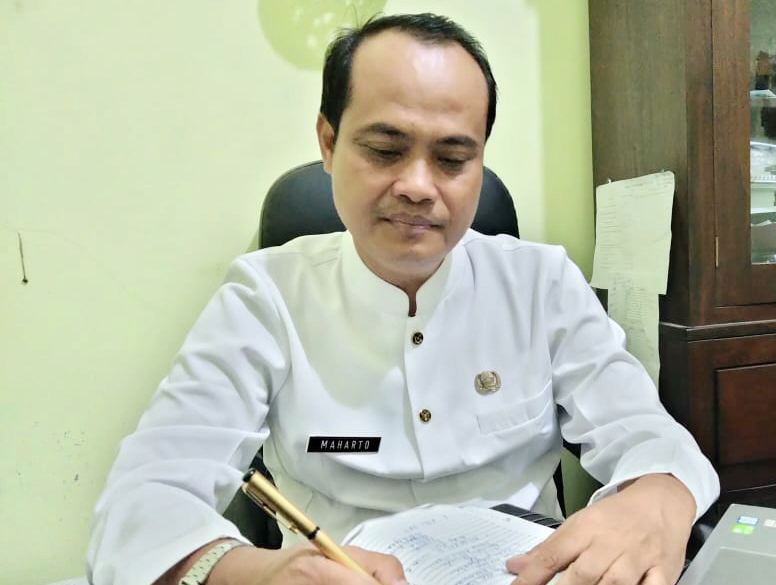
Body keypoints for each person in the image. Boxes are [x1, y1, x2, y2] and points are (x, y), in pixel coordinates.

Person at [86, 12, 719, 585]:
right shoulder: (265, 297)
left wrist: (657, 496)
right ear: (328, 143)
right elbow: (144, 499)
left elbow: (647, 433)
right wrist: (256, 574)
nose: (417, 186)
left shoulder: (542, 283)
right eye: (385, 150)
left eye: (452, 158)